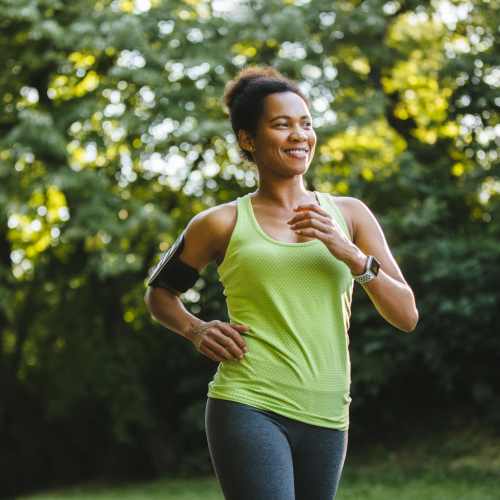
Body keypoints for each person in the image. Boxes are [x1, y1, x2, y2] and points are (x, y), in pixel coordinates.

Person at [144, 65, 419, 500]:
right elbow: (160, 295)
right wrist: (194, 329)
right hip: (249, 402)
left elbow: (405, 314)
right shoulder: (220, 222)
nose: (299, 135)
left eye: (306, 124)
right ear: (247, 139)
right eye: (282, 125)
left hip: (328, 412)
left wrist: (348, 252)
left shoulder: (350, 215)